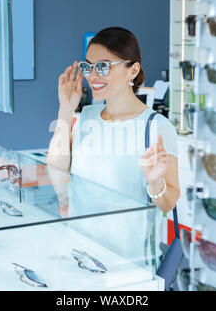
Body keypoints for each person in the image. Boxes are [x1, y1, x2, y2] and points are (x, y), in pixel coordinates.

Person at [46, 27, 180, 262]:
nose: (93, 76)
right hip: (80, 253)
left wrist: (154, 181)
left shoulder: (156, 126)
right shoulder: (87, 117)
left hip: (130, 263)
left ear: (133, 70)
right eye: (88, 67)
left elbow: (168, 203)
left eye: (103, 66)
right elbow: (57, 170)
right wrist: (65, 109)